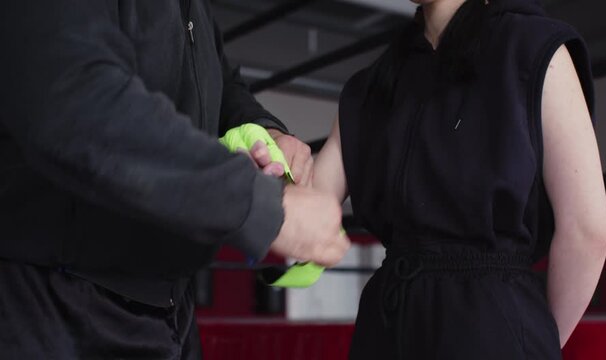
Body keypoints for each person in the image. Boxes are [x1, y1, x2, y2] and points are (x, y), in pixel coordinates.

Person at [0, 1, 349, 359]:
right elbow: (71, 97)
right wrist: (257, 203)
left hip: (167, 305)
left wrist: (266, 132)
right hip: (56, 303)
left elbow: (219, 83)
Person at [313, 0, 606, 358]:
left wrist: (530, 336)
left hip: (483, 321)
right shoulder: (374, 82)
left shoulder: (531, 46)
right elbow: (311, 205)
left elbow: (587, 232)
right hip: (397, 324)